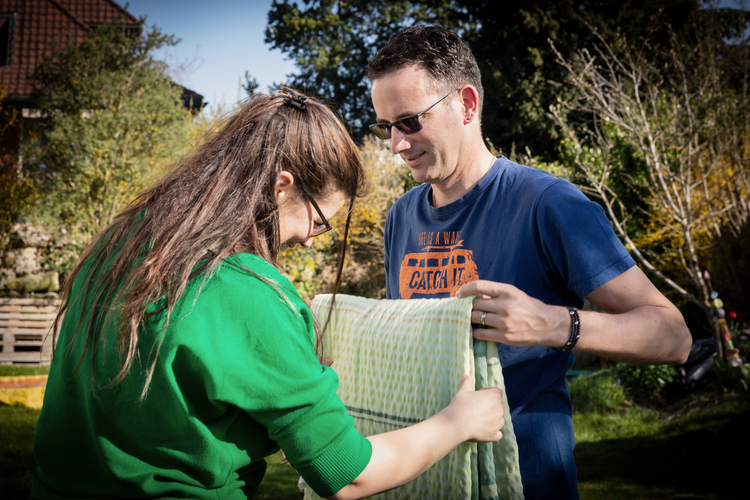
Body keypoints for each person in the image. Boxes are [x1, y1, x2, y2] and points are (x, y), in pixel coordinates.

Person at [30, 89, 506, 500]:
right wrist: (459, 422)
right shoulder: (248, 291)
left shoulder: (126, 240)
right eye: (319, 221)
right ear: (282, 187)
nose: (311, 238)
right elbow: (348, 476)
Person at [367, 25, 692, 499]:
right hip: (430, 476)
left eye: (410, 121)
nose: (395, 144)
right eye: (385, 127)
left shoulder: (548, 203)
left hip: (527, 479)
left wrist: (553, 324)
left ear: (467, 104)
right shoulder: (400, 217)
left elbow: (674, 336)